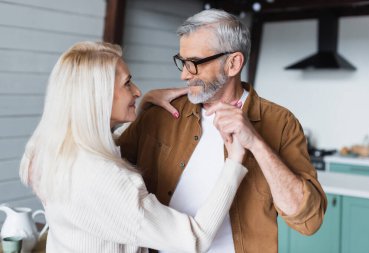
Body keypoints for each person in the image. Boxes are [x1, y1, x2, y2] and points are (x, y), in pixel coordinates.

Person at [118, 9, 327, 253]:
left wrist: (256, 144)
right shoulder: (161, 113)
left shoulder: (281, 123)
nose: (184, 74)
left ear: (233, 63)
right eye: (182, 62)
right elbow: (104, 166)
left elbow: (309, 221)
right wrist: (140, 110)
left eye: (194, 63)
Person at [19, 41, 248, 253]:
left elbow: (103, 146)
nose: (137, 91)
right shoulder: (105, 179)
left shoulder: (48, 150)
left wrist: (142, 107)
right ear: (99, 96)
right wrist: (235, 159)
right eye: (127, 83)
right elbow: (195, 238)